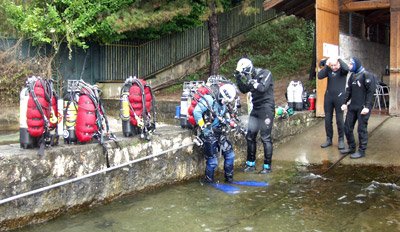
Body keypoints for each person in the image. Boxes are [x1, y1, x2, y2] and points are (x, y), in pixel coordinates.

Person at [234, 58, 275, 174]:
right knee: (250, 136)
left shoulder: (265, 73)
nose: (246, 76)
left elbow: (262, 88)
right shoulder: (249, 78)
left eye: (246, 73)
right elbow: (244, 90)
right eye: (244, 74)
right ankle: (250, 163)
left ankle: (267, 166)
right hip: (256, 108)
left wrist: (253, 82)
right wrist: (238, 78)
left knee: (265, 138)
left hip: (266, 108)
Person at [193, 83, 237, 183]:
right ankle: (209, 184)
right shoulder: (209, 99)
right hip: (208, 133)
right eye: (225, 100)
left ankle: (229, 180)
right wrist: (203, 127)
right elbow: (196, 112)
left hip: (218, 131)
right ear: (221, 95)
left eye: (227, 101)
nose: (225, 103)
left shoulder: (223, 105)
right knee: (213, 162)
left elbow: (222, 116)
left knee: (230, 155)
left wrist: (229, 122)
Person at [340, 57, 376, 159]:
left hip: (362, 107)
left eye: (351, 64)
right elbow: (349, 91)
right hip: (353, 106)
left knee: (361, 129)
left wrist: (367, 106)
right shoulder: (352, 76)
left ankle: (362, 151)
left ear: (356, 65)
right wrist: (344, 103)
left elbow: (370, 92)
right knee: (347, 127)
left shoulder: (366, 76)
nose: (349, 66)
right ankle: (352, 147)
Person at [318, 56, 349, 150]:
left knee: (339, 119)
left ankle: (341, 139)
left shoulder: (342, 71)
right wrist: (327, 65)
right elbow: (319, 76)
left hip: (339, 97)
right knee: (328, 119)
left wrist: (338, 59)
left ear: (338, 63)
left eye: (335, 65)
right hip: (329, 97)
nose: (334, 67)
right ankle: (328, 139)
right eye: (332, 65)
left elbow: (346, 68)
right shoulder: (329, 69)